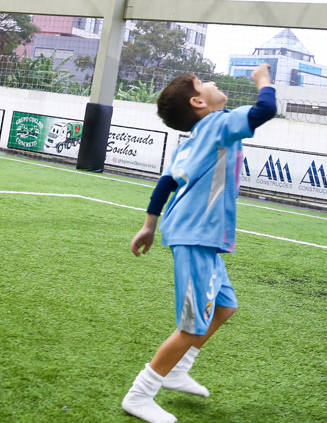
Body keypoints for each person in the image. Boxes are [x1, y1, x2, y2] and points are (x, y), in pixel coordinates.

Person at [122, 64, 276, 423]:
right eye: (203, 82)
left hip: (199, 238)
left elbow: (165, 183)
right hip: (195, 237)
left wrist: (149, 226)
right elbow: (265, 109)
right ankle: (139, 395)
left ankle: (177, 370)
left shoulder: (193, 140)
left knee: (224, 307)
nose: (213, 82)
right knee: (192, 324)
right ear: (198, 102)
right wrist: (263, 80)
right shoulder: (219, 125)